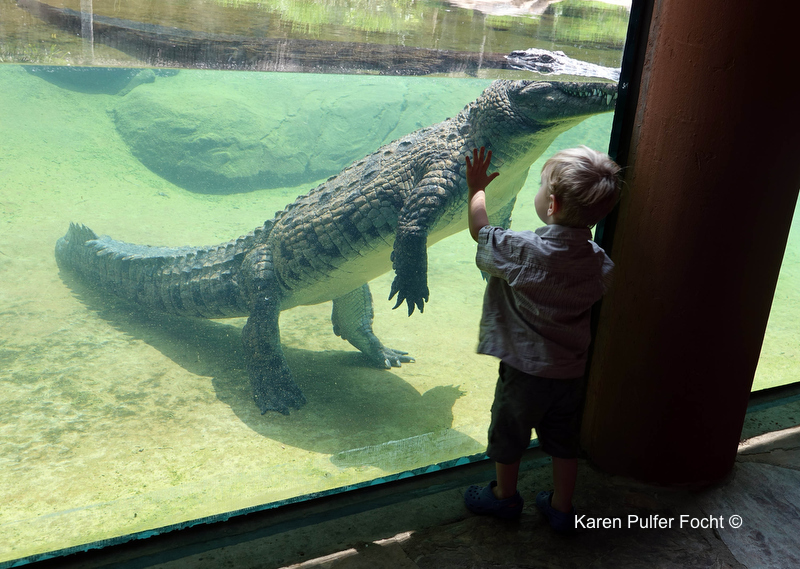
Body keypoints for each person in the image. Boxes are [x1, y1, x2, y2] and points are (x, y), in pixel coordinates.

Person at [462, 145, 621, 532]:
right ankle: (562, 508)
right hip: (569, 373)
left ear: (551, 204)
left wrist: (476, 189)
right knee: (563, 443)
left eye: (540, 186)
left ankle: (504, 497)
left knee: (508, 435)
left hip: (523, 372)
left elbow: (480, 231)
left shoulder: (523, 250)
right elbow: (603, 280)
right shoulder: (597, 259)